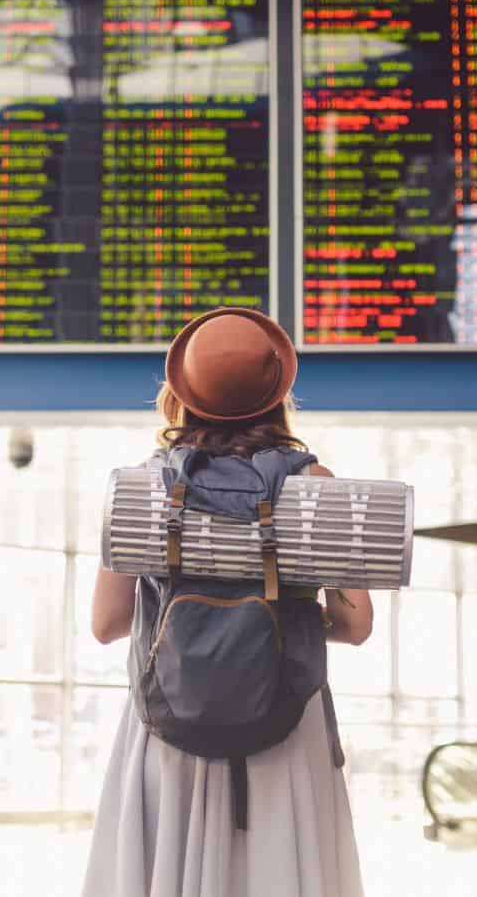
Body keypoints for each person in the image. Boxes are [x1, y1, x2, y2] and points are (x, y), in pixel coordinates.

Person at [83, 307, 376, 897]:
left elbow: (107, 623)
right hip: (286, 723)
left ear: (182, 393)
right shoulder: (315, 485)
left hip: (170, 719)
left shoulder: (143, 485)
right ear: (276, 395)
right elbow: (355, 623)